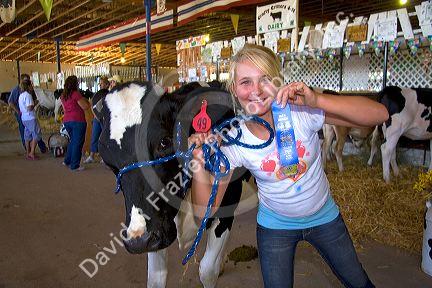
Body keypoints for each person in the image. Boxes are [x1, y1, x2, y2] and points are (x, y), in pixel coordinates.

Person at [188, 44, 388, 288]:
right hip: (275, 227)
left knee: (359, 282)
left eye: (264, 79)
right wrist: (198, 161)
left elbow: (380, 114)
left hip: (325, 217)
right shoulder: (235, 139)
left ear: (278, 80)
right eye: (245, 82)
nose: (257, 91)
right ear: (234, 89)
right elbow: (205, 211)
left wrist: (318, 99)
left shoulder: (301, 110)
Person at [8, 73, 47, 153]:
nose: (28, 83)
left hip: (28, 114)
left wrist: (34, 103)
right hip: (23, 114)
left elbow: (35, 100)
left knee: (31, 131)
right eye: (26, 80)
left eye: (29, 80)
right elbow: (11, 102)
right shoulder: (16, 90)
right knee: (28, 131)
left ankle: (41, 147)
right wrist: (18, 112)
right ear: (21, 80)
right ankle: (29, 150)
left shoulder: (30, 91)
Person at [61, 75, 89, 171]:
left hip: (67, 120)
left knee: (72, 141)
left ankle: (67, 160)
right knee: (78, 143)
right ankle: (75, 165)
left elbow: (64, 110)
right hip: (78, 120)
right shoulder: (76, 94)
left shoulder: (63, 96)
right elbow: (85, 106)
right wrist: (86, 100)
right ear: (75, 84)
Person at [84, 76, 110, 164]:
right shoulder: (97, 94)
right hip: (97, 119)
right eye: (100, 84)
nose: (100, 85)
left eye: (102, 84)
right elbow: (93, 105)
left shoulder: (109, 94)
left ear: (107, 85)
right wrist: (96, 115)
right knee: (94, 136)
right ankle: (91, 156)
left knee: (104, 138)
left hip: (104, 119)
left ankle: (104, 156)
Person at [18, 79, 42, 160]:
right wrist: (35, 103)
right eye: (31, 85)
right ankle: (32, 153)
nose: (32, 86)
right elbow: (29, 108)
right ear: (28, 86)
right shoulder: (28, 95)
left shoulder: (21, 95)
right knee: (36, 133)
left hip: (24, 118)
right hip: (30, 117)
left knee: (27, 135)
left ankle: (28, 152)